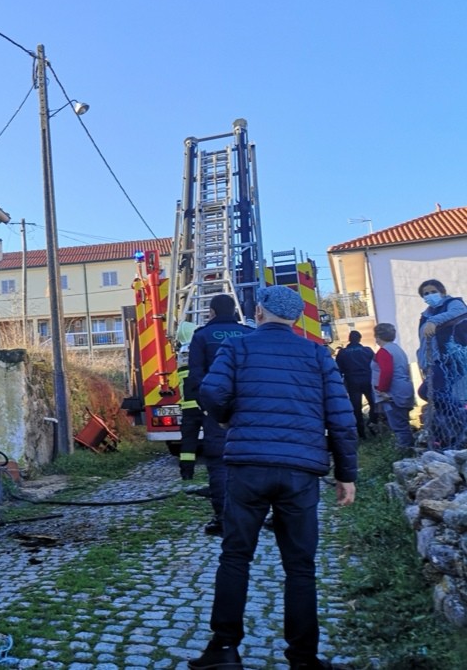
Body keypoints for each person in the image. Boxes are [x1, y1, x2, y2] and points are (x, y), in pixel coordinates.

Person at [190, 285, 357, 670]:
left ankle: (224, 651)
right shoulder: (318, 355)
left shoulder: (238, 347)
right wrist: (346, 475)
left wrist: (228, 417)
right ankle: (303, 658)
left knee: (235, 557)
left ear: (259, 312)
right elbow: (342, 419)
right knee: (300, 566)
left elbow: (211, 391)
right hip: (300, 474)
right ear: (296, 318)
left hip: (248, 467)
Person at [183, 294, 253, 536]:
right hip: (248, 409)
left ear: (211, 312)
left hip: (218, 410)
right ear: (234, 310)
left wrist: (211, 405)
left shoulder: (201, 336)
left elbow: (196, 375)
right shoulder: (248, 334)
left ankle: (223, 519)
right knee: (251, 461)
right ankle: (251, 516)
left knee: (219, 464)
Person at [416, 280, 467, 449]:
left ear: (442, 291)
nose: (429, 295)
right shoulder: (426, 314)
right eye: (425, 294)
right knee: (437, 397)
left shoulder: (453, 303)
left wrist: (434, 321)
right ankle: (453, 429)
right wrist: (424, 363)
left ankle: (461, 412)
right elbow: (423, 343)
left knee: (427, 392)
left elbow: (460, 311)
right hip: (434, 361)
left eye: (432, 291)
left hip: (450, 358)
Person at [371, 322, 416, 451]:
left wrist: (381, 390)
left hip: (393, 392)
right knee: (403, 422)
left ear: (378, 337)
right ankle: (407, 448)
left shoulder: (384, 351)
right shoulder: (397, 349)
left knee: (398, 425)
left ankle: (404, 451)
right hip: (404, 388)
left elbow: (386, 372)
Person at [335, 330, 377, 439]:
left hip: (352, 382)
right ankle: (373, 423)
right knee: (374, 404)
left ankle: (361, 434)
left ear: (349, 339)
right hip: (368, 380)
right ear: (359, 339)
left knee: (356, 408)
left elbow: (338, 370)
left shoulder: (343, 353)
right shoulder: (367, 350)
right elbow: (376, 365)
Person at [174, 319, 200, 480]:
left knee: (188, 443)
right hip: (204, 406)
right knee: (213, 439)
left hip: (188, 409)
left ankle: (186, 475)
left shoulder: (182, 355)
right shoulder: (199, 351)